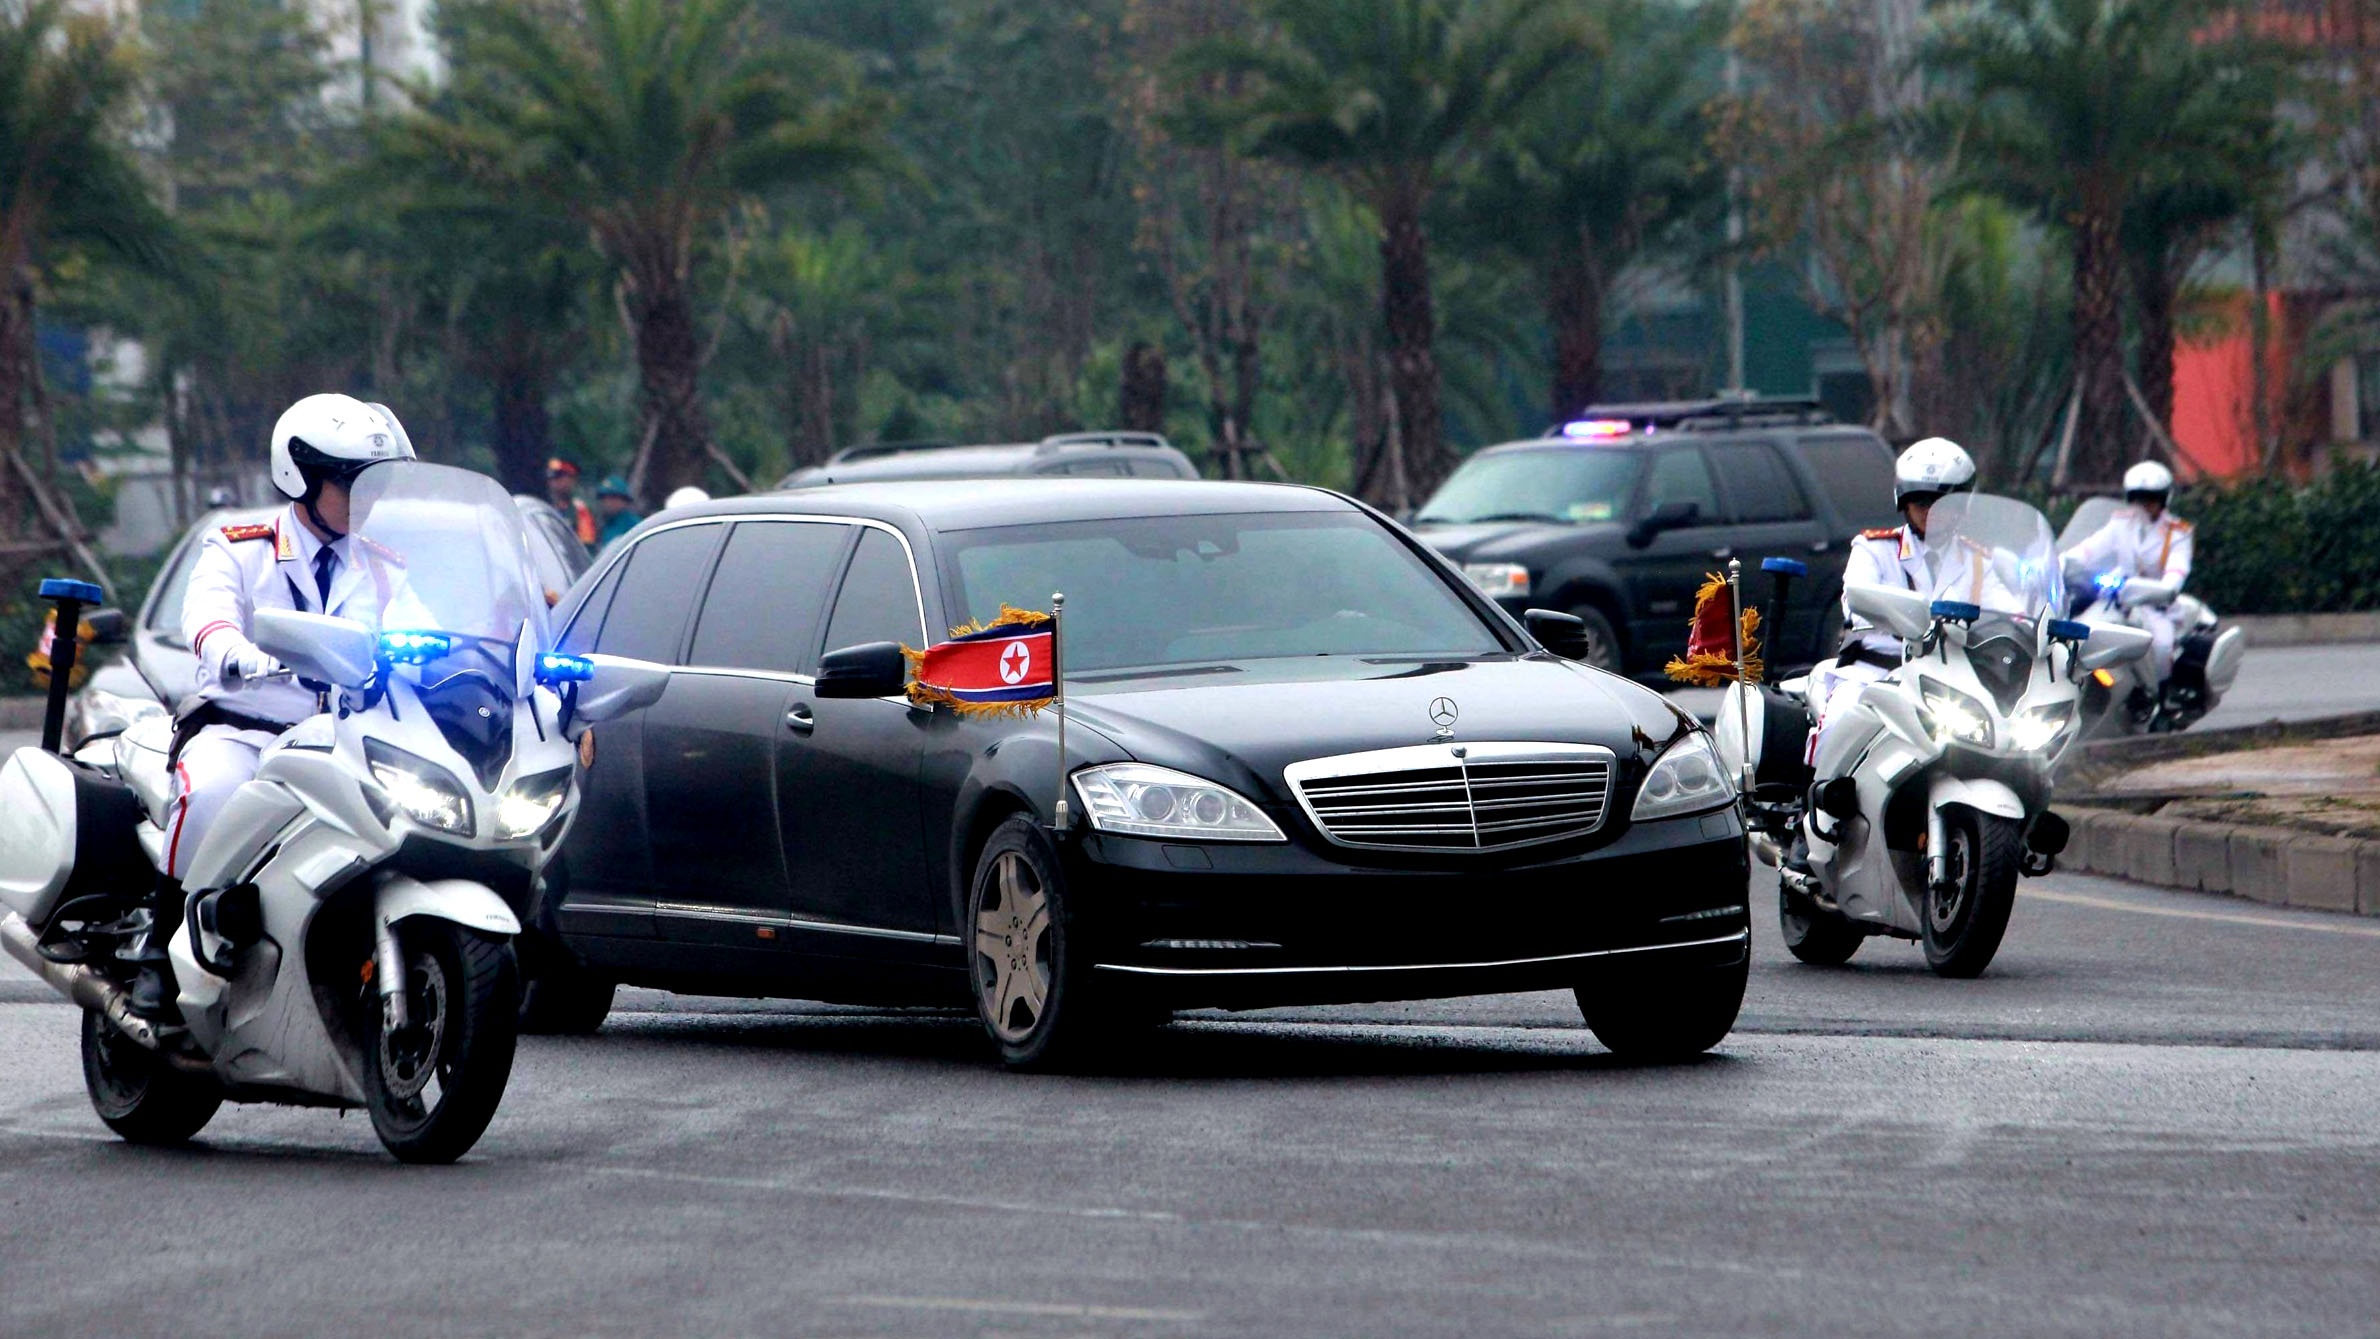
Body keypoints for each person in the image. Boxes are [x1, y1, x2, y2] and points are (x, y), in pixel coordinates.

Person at [127, 393, 416, 1017]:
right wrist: (238, 652)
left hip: (338, 742)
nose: (368, 501)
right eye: (353, 484)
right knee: (211, 795)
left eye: (378, 486)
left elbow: (424, 633)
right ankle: (159, 943)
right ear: (302, 477)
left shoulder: (387, 567)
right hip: (243, 730)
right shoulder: (239, 547)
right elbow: (206, 621)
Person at [1785, 437, 1975, 876]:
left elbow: (2014, 610)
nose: (1931, 512)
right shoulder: (1875, 549)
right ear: (1903, 502)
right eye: (1922, 501)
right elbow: (1855, 598)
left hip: (1953, 678)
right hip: (1875, 672)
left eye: (1945, 502)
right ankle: (1813, 826)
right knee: (1841, 720)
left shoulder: (1984, 562)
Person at [2061, 460, 2194, 684]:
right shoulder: (2120, 523)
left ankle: (2160, 699)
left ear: (2164, 500)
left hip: (2155, 605)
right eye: (2138, 498)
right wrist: (2059, 561)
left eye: (2151, 499)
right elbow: (2089, 549)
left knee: (2161, 645)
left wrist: (2164, 589)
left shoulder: (2178, 533)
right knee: (2081, 630)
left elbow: (2176, 573)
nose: (2143, 505)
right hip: (2115, 599)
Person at [546, 457, 599, 546]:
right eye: (552, 478)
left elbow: (586, 543)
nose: (555, 482)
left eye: (560, 477)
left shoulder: (581, 510)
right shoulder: (544, 507)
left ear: (572, 479)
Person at [594, 475, 641, 550]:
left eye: (612, 498)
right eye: (603, 498)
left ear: (624, 500)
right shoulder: (603, 523)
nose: (607, 502)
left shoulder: (634, 526)